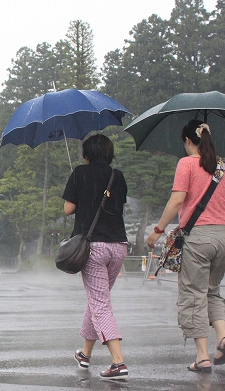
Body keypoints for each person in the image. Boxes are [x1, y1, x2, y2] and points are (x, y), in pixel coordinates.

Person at [146, 120, 225, 373]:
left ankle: (202, 357)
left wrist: (158, 230)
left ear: (189, 141)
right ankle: (223, 337)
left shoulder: (186, 164)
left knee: (193, 295)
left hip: (198, 237)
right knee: (212, 290)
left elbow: (177, 200)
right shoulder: (224, 167)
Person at [62, 134, 129, 381]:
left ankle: (118, 362)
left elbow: (68, 209)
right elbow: (116, 205)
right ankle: (85, 354)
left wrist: (82, 196)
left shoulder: (79, 173)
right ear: (109, 154)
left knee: (100, 304)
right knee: (97, 299)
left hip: (93, 248)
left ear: (86, 154)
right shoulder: (117, 176)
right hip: (119, 246)